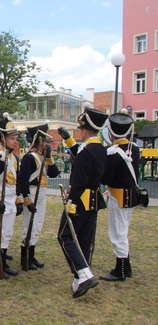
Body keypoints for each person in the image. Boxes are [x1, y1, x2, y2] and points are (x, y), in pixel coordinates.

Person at [57, 107, 108, 298]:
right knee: (84, 240)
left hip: (79, 199)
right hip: (94, 199)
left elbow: (77, 182)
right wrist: (68, 139)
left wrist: (71, 202)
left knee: (65, 236)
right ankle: (81, 278)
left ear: (85, 130)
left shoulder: (86, 152)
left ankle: (83, 274)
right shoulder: (100, 149)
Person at [100, 112, 139, 281]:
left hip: (118, 196)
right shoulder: (134, 148)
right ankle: (126, 267)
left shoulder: (113, 152)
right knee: (122, 230)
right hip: (130, 195)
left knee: (118, 233)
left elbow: (106, 178)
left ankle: (120, 270)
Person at [19, 124, 60, 270]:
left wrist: (49, 157)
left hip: (41, 191)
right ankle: (25, 258)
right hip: (31, 191)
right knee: (29, 225)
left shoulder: (43, 157)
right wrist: (26, 199)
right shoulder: (29, 157)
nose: (48, 145)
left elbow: (54, 173)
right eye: (46, 142)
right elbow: (22, 181)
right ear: (40, 140)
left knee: (37, 225)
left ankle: (32, 254)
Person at [0, 113, 21, 279]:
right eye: (12, 138)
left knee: (7, 232)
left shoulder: (13, 157)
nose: (15, 141)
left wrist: (19, 199)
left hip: (10, 196)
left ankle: (3, 262)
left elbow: (17, 180)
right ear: (2, 137)